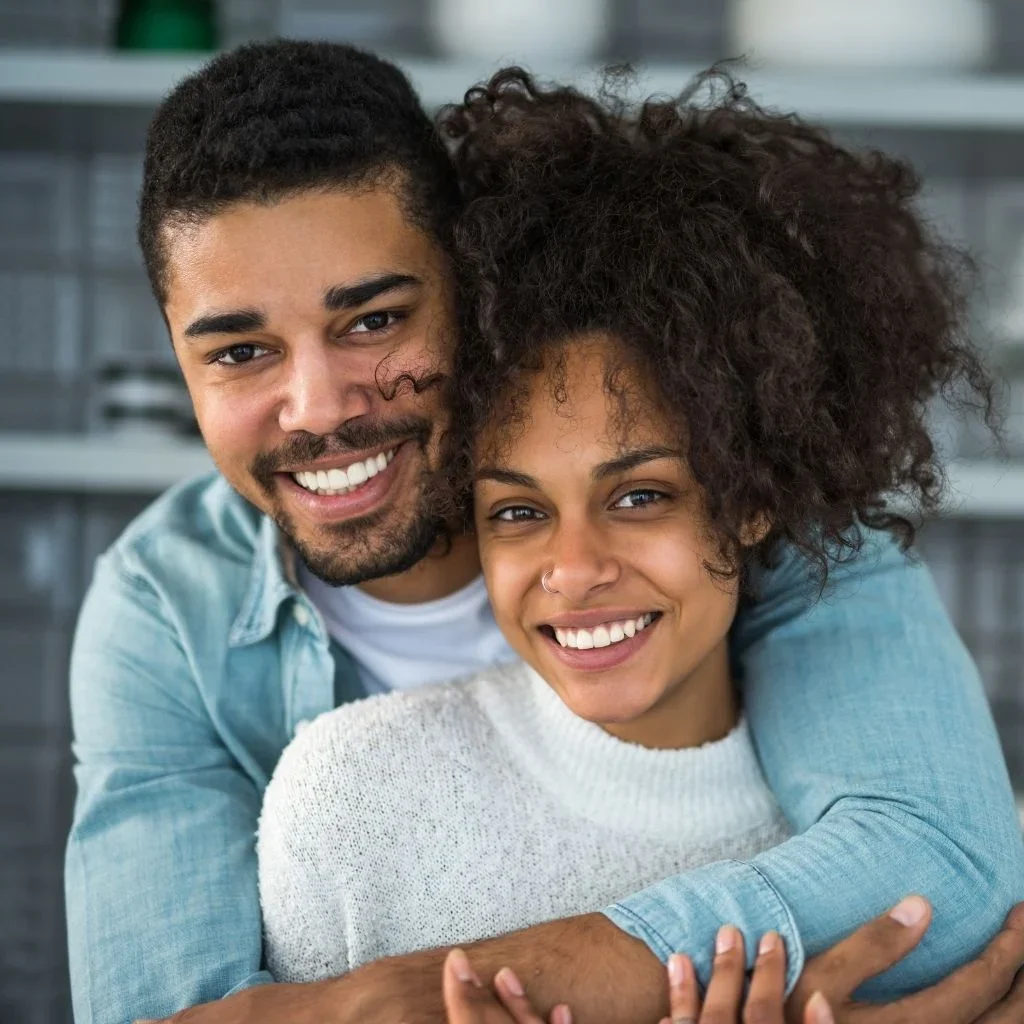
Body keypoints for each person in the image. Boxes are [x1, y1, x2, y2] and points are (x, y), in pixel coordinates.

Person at [63, 40, 1023, 1024]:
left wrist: (411, 998)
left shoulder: (738, 481)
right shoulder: (166, 610)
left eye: (371, 321)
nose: (315, 408)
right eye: (239, 350)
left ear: (469, 289)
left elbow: (936, 863)